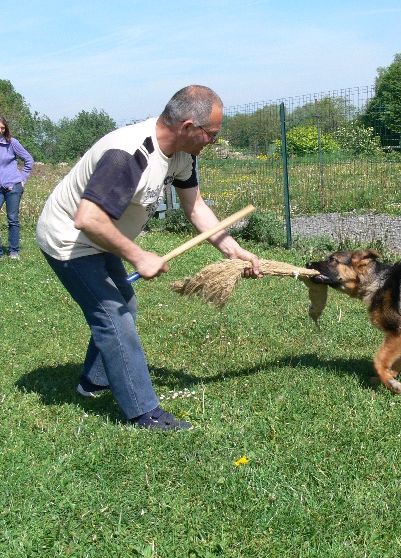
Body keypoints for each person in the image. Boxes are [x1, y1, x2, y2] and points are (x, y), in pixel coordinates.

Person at [37, 85, 261, 431]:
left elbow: (195, 206)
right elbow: (89, 219)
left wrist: (235, 252)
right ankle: (144, 413)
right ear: (188, 127)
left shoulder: (184, 154)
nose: (213, 142)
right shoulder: (129, 155)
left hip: (101, 238)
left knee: (126, 304)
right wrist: (140, 256)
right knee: (113, 317)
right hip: (71, 241)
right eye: (211, 135)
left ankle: (93, 382)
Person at [0, 116, 34, 260]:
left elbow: (28, 160)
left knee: (12, 218)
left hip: (13, 186)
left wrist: (22, 179)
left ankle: (13, 251)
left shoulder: (11, 143)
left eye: (2, 128)